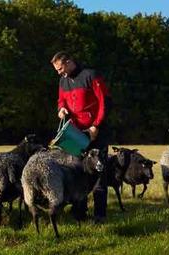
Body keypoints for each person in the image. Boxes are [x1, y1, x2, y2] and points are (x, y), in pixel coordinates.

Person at [52, 51, 112, 223]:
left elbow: (105, 102)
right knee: (78, 171)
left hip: (96, 132)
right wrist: (61, 109)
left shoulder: (91, 75)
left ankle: (100, 216)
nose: (59, 73)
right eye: (57, 70)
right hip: (75, 134)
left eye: (61, 68)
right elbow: (61, 100)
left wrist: (96, 125)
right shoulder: (63, 81)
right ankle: (80, 213)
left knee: (99, 173)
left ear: (69, 62)